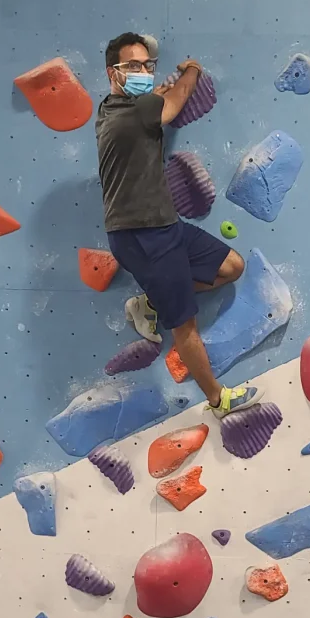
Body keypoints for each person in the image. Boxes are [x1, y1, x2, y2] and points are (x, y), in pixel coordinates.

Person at [95, 32, 264, 418]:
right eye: (132, 66)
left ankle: (152, 303)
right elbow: (174, 103)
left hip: (163, 225)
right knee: (184, 325)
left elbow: (159, 108)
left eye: (146, 65)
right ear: (113, 73)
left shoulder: (111, 108)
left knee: (231, 267)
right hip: (143, 233)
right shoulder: (133, 109)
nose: (143, 71)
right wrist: (191, 71)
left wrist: (159, 92)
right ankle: (219, 400)